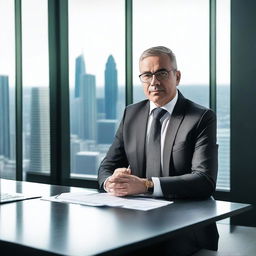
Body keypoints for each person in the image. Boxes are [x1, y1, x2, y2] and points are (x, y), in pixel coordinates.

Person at [98, 46, 219, 255]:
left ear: (177, 76)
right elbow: (107, 165)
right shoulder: (132, 113)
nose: (154, 82)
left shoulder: (200, 117)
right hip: (137, 221)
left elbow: (204, 181)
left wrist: (146, 185)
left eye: (162, 73)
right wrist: (112, 182)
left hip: (185, 224)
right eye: (147, 75)